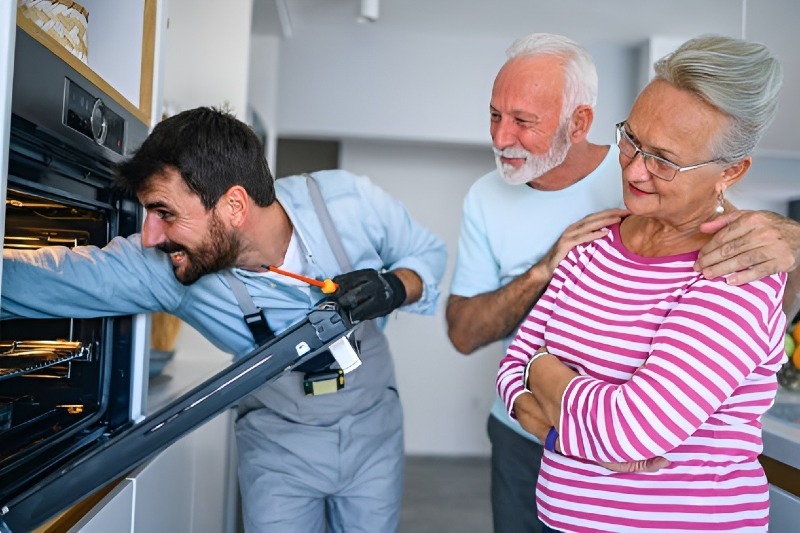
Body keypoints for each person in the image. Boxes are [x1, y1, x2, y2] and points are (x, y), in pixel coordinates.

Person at [0, 107, 447, 532]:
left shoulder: (348, 201)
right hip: (277, 445)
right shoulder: (166, 269)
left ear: (234, 206)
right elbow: (44, 280)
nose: (151, 235)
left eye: (164, 212)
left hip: (374, 431)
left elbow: (429, 255)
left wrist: (394, 287)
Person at [446, 33, 800, 533]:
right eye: (630, 140)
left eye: (664, 160)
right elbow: (509, 370)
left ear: (731, 171)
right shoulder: (593, 242)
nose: (633, 169)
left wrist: (543, 373)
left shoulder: (735, 273)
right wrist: (560, 432)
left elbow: (629, 433)